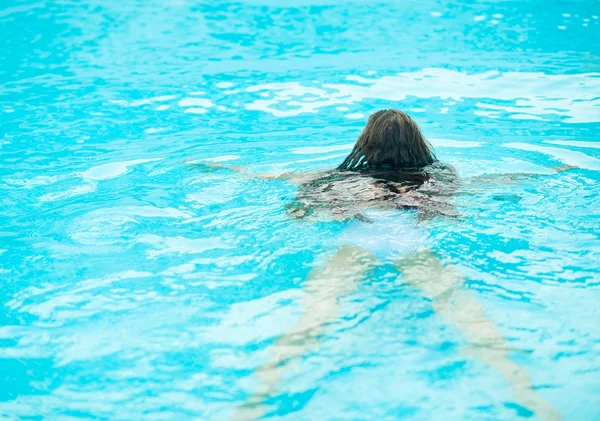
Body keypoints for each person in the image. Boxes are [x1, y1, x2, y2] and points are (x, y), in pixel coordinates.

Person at [191, 109, 562, 421]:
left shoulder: (339, 177)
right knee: (470, 320)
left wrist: (228, 170)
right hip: (413, 242)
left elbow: (278, 183)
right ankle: (528, 394)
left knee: (311, 321)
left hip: (358, 238)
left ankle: (257, 398)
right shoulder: (440, 175)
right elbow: (489, 186)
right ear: (419, 143)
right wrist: (551, 173)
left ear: (365, 144)